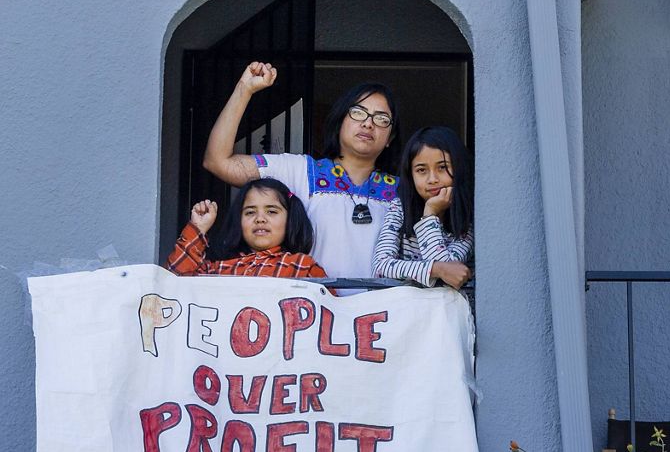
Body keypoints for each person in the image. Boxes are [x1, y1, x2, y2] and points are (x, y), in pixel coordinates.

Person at [203, 61, 401, 279]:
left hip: (382, 311)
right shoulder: (302, 170)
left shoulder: (403, 190)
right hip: (314, 310)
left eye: (382, 119)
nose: (368, 124)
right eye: (358, 113)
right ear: (340, 121)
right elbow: (218, 161)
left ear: (390, 138)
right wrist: (245, 89)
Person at [373, 127, 474, 289]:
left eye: (442, 167)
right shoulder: (400, 208)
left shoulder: (468, 218)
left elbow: (450, 274)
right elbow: (380, 267)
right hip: (405, 309)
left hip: (448, 310)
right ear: (410, 175)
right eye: (421, 170)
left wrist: (429, 215)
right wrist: (436, 269)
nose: (432, 179)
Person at [167, 178, 325, 278]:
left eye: (271, 211)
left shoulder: (303, 267)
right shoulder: (217, 270)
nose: (260, 219)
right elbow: (175, 281)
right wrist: (198, 227)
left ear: (290, 219)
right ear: (239, 221)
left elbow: (331, 319)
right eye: (250, 212)